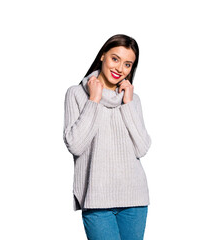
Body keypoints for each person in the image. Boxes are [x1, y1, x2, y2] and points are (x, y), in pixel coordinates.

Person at [63, 34, 151, 240]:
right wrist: (94, 100)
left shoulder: (132, 99)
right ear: (103, 56)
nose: (120, 68)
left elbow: (142, 148)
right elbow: (75, 145)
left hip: (134, 199)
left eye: (128, 64)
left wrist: (128, 105)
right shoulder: (76, 94)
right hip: (97, 199)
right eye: (115, 59)